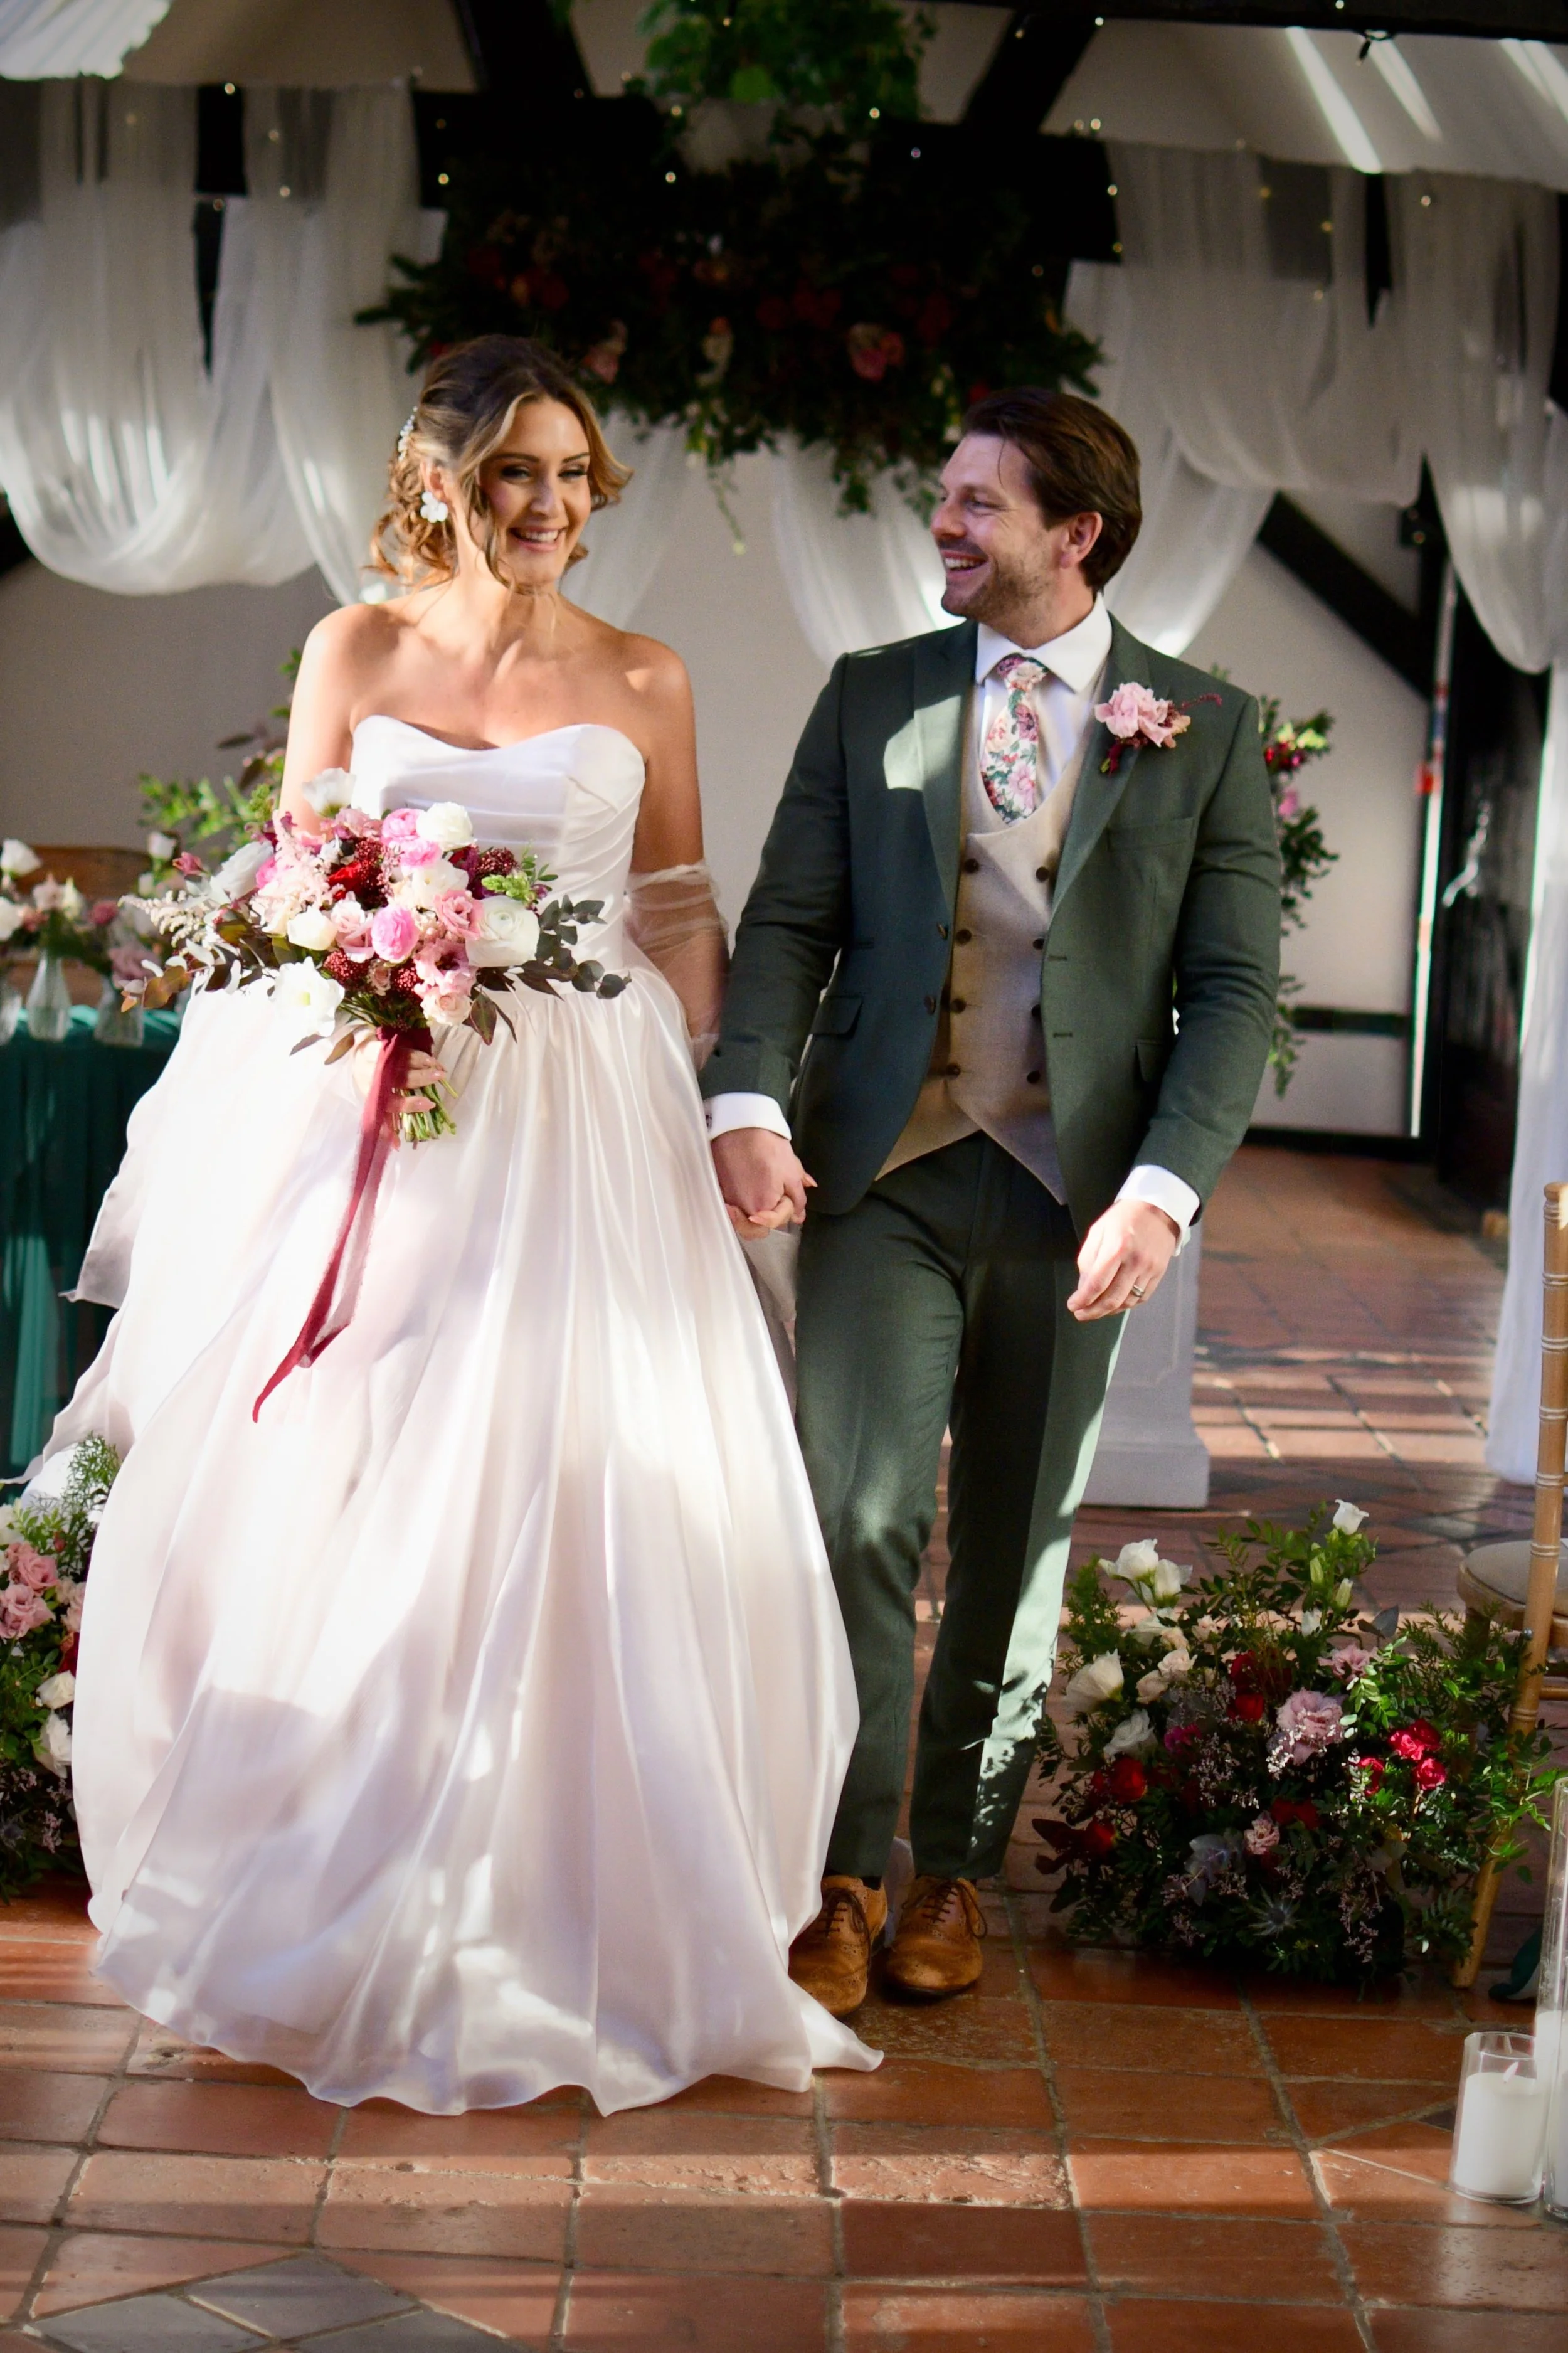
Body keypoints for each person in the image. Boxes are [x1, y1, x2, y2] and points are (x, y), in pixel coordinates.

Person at [41, 334, 877, 2112]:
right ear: (439, 479)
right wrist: (349, 970)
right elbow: (288, 872)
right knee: (362, 1455)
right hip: (382, 1096)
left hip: (584, 1108)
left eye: (573, 476)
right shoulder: (351, 651)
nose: (549, 508)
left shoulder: (642, 675)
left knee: (569, 1464)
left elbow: (672, 903)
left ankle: (556, 1890)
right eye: (515, 472)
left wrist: (726, 1105)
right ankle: (333, 1862)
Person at [704, 389, 1281, 2017]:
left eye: (974, 503)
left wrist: (1162, 1191)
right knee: (862, 1515)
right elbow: (785, 924)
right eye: (942, 500)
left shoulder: (1204, 726)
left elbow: (1234, 991)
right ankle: (837, 1872)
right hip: (879, 1172)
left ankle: (948, 1863)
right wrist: (746, 1096)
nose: (942, 526)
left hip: (1074, 1197)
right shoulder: (867, 696)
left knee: (1018, 1539)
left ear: (1070, 533)